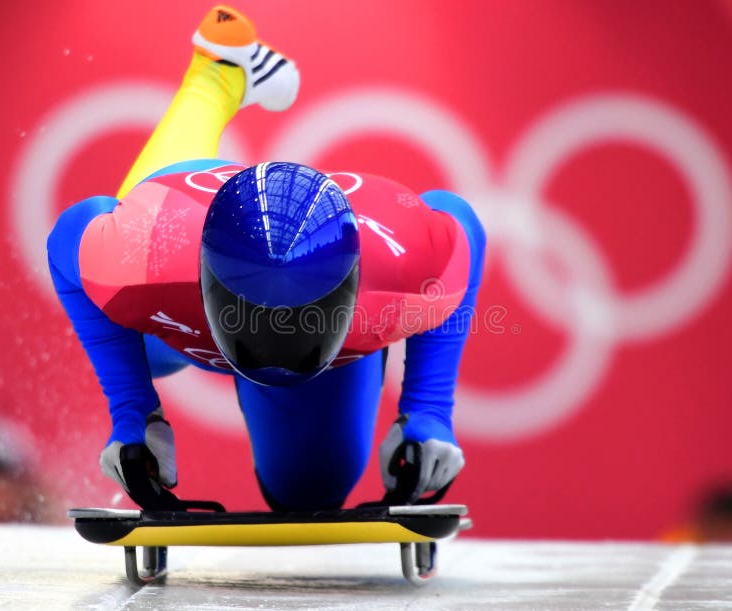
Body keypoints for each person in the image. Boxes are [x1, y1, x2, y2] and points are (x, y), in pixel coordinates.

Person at [47, 4, 486, 511]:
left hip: (204, 305)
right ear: (206, 278)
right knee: (129, 318)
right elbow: (73, 235)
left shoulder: (404, 260)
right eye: (257, 320)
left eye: (301, 321)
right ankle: (216, 77)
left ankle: (218, 73)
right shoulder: (149, 251)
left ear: (352, 286)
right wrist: (133, 412)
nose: (276, 341)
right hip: (179, 278)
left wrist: (427, 412)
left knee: (309, 494)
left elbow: (460, 224)